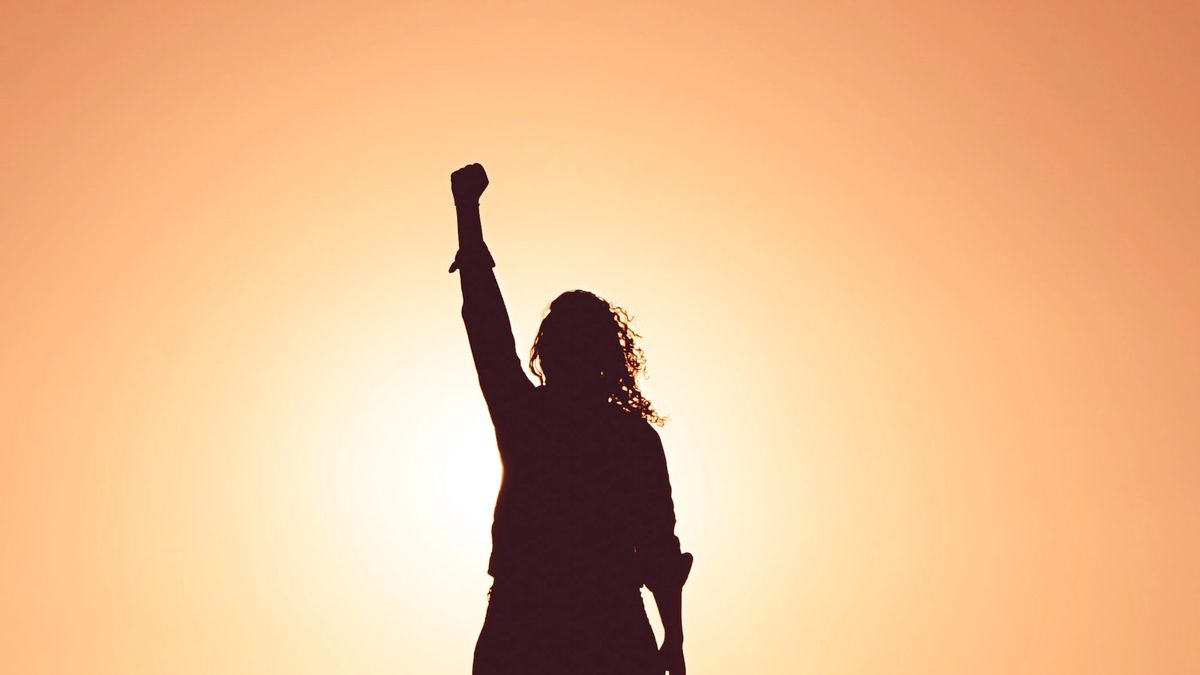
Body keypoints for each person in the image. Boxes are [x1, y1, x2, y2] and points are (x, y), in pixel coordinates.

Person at [448, 163, 693, 675]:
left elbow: (658, 549)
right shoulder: (611, 433)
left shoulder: (540, 419)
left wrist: (673, 641)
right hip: (554, 621)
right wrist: (673, 641)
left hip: (575, 623)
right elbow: (486, 323)